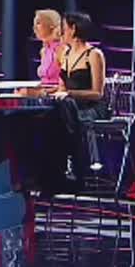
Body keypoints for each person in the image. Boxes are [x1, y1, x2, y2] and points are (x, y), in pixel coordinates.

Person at [51, 11, 109, 178]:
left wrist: (69, 94)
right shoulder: (65, 54)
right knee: (49, 113)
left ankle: (73, 164)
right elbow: (61, 88)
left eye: (63, 28)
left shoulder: (94, 55)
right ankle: (54, 169)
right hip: (69, 107)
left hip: (92, 108)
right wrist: (42, 92)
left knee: (63, 111)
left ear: (74, 29)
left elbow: (97, 93)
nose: (60, 32)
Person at [16, 9, 64, 96]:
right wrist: (29, 91)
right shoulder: (44, 51)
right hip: (45, 98)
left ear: (50, 25)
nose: (34, 28)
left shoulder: (61, 49)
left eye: (38, 23)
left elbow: (65, 86)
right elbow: (45, 83)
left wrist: (34, 93)